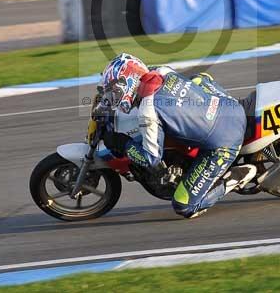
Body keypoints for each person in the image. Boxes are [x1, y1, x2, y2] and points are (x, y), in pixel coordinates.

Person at [97, 53, 257, 219]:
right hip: (225, 103)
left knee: (184, 205)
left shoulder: (148, 112)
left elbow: (151, 159)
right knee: (199, 78)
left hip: (225, 140)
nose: (113, 94)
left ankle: (232, 179)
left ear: (130, 84)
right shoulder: (161, 71)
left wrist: (123, 143)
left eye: (115, 90)